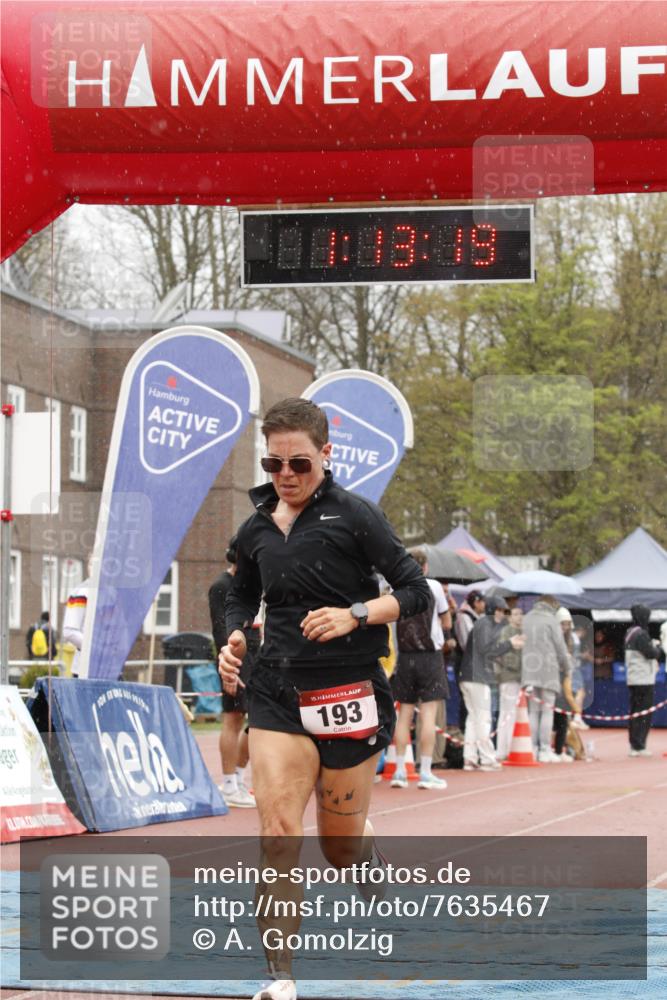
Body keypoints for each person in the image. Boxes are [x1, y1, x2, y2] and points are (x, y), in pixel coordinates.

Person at [218, 397, 430, 1000]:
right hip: (276, 695)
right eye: (273, 462)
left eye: (300, 464)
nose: (285, 475)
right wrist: (233, 634)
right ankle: (279, 976)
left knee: (338, 848)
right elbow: (237, 594)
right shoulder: (255, 527)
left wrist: (355, 614)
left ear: (326, 456)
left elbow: (417, 593)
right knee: (279, 831)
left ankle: (362, 854)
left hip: (350, 692)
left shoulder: (356, 516)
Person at [390, 547, 451, 791]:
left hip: (405, 656)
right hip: (429, 655)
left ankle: (399, 771)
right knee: (428, 715)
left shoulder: (398, 587)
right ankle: (425, 771)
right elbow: (446, 620)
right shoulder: (434, 586)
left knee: (403, 714)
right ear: (425, 567)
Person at [208, 535, 258, 808]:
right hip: (235, 658)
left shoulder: (253, 585)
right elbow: (220, 630)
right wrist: (229, 667)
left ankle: (238, 778)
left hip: (259, 656)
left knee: (258, 721)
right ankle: (229, 783)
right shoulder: (221, 586)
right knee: (233, 718)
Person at [459, 596, 524, 771]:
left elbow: (486, 649)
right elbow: (486, 650)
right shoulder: (485, 624)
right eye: (502, 611)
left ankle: (470, 757)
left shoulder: (484, 624)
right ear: (495, 610)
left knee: (473, 719)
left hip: (470, 676)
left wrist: (508, 644)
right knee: (483, 718)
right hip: (477, 677)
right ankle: (487, 758)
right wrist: (509, 644)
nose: (503, 615)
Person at [521, 595, 572, 763]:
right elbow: (560, 647)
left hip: (529, 670)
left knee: (533, 711)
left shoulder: (526, 619)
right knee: (547, 711)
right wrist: (567, 666)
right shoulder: (551, 621)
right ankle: (544, 748)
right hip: (548, 671)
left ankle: (533, 747)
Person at [624, 604, 664, 758]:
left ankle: (635, 744)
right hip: (643, 678)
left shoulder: (629, 632)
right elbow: (651, 653)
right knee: (643, 713)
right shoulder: (640, 634)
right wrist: (658, 647)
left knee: (635, 711)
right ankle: (639, 745)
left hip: (634, 677)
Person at [453, 589, 485, 730]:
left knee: (474, 705)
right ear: (476, 602)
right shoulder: (463, 616)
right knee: (467, 703)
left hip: (472, 665)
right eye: (482, 602)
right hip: (465, 666)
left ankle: (469, 734)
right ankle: (464, 732)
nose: (484, 605)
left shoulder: (474, 617)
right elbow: (468, 643)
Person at [494, 605, 523, 761]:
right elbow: (499, 654)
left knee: (514, 714)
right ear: (510, 617)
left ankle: (512, 747)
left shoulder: (524, 633)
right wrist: (511, 664)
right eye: (516, 613)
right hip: (508, 676)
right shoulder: (506, 632)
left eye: (521, 614)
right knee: (507, 714)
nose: (519, 617)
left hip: (519, 677)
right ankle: (502, 749)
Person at [62, 578, 91, 675]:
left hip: (112, 669)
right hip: (86, 668)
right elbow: (69, 631)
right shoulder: (83, 592)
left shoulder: (114, 592)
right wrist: (94, 648)